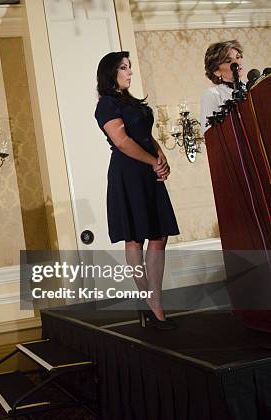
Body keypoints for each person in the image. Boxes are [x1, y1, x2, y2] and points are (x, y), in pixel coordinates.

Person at [94, 51, 179, 330]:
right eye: (124, 68)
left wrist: (161, 155)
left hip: (147, 170)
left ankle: (153, 301)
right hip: (128, 173)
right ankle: (153, 307)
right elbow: (122, 141)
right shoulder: (106, 105)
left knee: (159, 235)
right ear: (111, 73)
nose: (130, 72)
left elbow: (145, 134)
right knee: (135, 238)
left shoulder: (130, 102)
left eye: (129, 67)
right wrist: (153, 161)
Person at [200, 40, 244, 132]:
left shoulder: (251, 87)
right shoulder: (212, 94)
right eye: (228, 61)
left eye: (238, 57)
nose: (237, 63)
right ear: (216, 71)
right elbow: (209, 132)